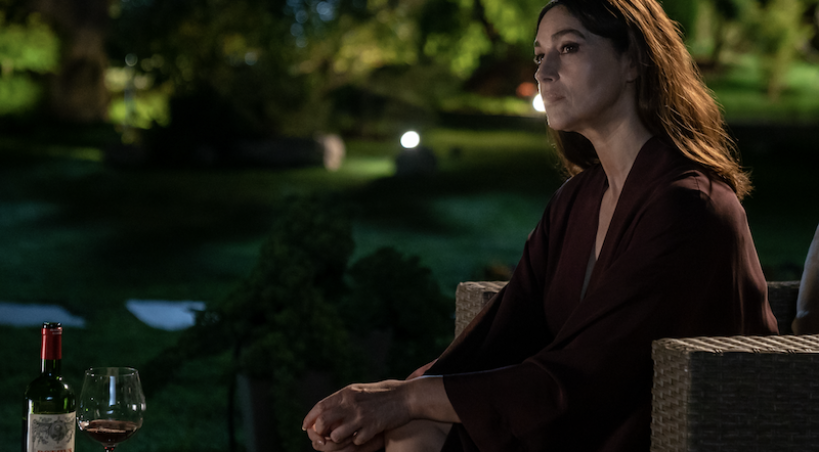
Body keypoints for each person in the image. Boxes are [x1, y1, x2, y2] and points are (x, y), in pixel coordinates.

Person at [302, 0, 779, 450]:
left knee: (415, 431)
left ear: (634, 60)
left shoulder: (689, 207)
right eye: (539, 55)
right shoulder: (575, 200)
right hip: (572, 413)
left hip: (646, 430)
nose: (543, 73)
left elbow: (589, 377)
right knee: (399, 429)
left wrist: (405, 400)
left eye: (568, 48)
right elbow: (506, 332)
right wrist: (392, 399)